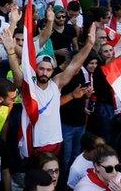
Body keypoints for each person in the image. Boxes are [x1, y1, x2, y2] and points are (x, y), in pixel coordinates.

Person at [7, 16, 97, 159]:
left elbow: (74, 64)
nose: (44, 72)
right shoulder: (28, 87)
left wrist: (89, 44)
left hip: (56, 141)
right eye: (41, 69)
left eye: (48, 70)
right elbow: (17, 74)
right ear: (35, 69)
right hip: (34, 144)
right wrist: (11, 51)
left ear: (52, 71)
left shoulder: (56, 83)